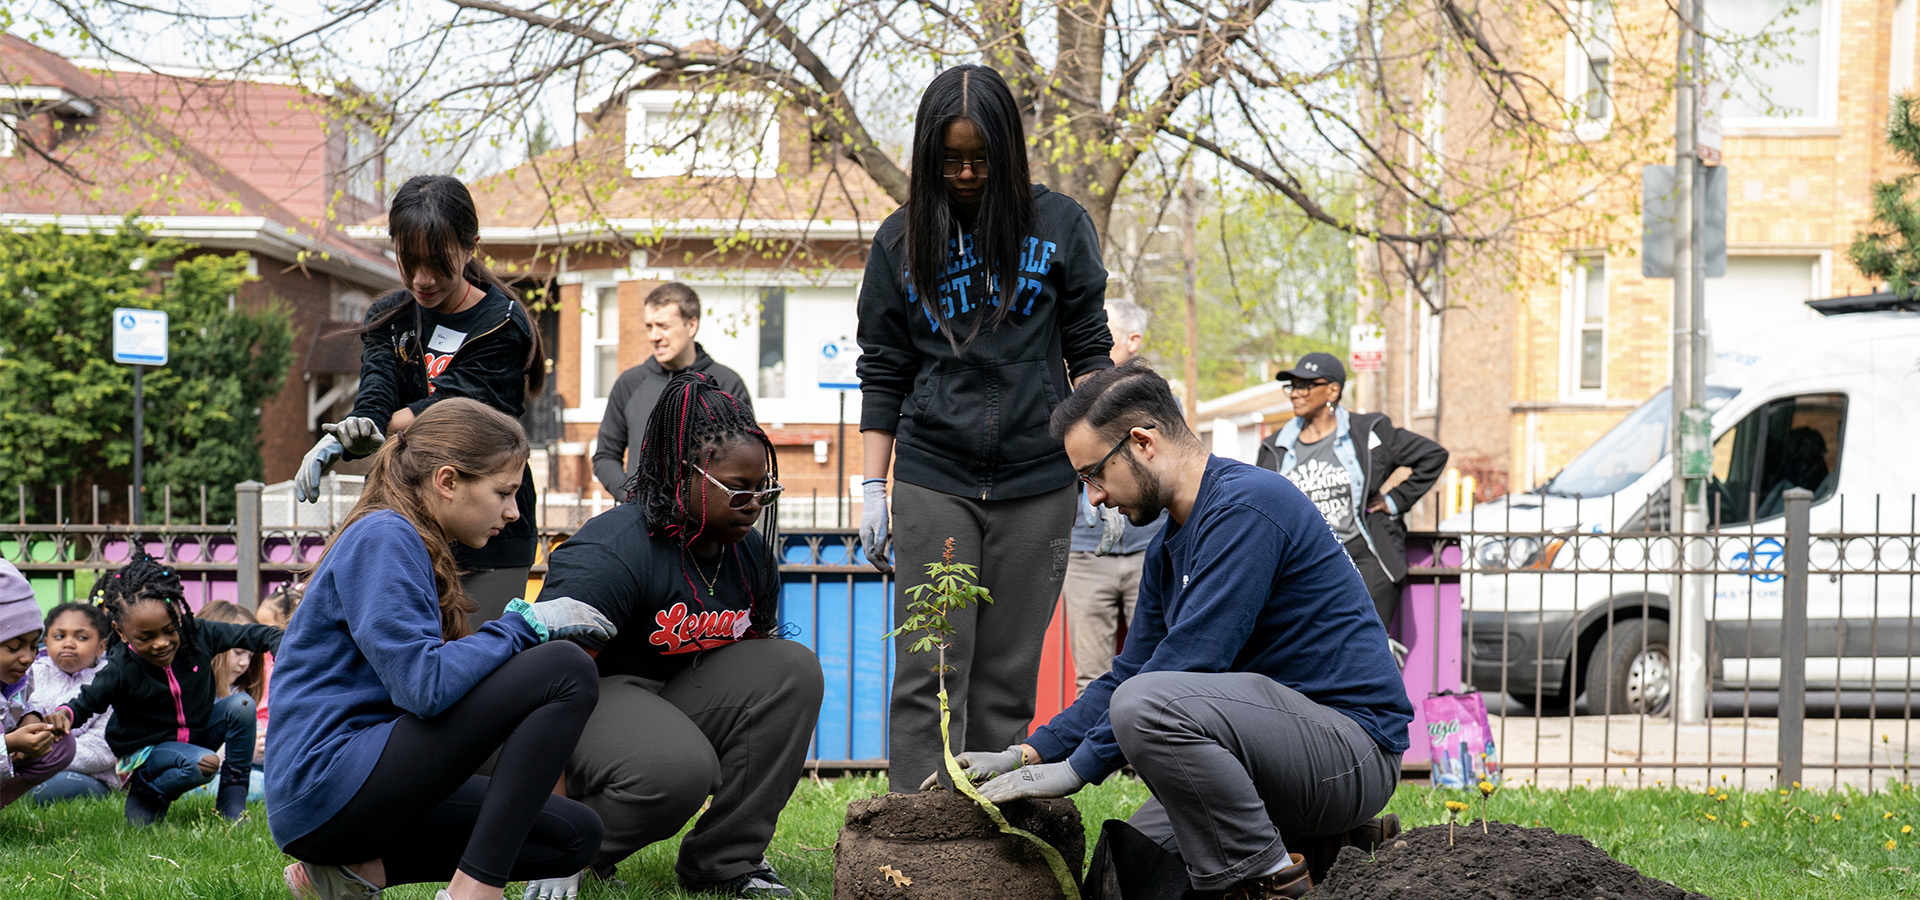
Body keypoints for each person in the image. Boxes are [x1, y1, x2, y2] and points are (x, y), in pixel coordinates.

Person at [950, 359, 1414, 899]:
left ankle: (1265, 881)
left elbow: (1188, 664)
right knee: (1125, 876)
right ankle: (1337, 843)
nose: (1094, 498)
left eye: (1093, 474)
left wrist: (1080, 767)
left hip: (1350, 752)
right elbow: (1128, 672)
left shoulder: (1248, 507)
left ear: (1143, 442)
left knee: (1145, 705)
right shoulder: (1169, 544)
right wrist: (1029, 753)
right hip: (1269, 759)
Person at [856, 63, 1113, 792]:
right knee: (929, 669)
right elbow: (883, 367)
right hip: (936, 473)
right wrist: (874, 483)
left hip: (1038, 477)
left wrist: (1097, 467)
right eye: (950, 160)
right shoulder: (899, 241)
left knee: (1006, 674)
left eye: (981, 158)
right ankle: (915, 826)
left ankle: (991, 824)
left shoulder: (1060, 225)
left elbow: (1089, 351)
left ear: (1008, 152)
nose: (966, 172)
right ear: (926, 158)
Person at [268, 397, 614, 900]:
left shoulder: (410, 536)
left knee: (575, 836)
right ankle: (473, 894)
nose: (515, 514)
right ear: (448, 481)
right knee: (563, 666)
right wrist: (525, 625)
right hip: (325, 786)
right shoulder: (385, 535)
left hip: (354, 785)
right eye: (504, 493)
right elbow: (425, 686)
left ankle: (349, 874)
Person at [529, 372, 822, 900]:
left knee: (792, 669)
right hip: (590, 697)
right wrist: (557, 826)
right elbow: (543, 687)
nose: (754, 504)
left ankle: (726, 860)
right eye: (738, 489)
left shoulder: (747, 552)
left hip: (674, 696)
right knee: (678, 768)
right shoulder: (614, 549)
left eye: (764, 490)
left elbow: (753, 679)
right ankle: (549, 845)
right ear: (683, 473)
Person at [294, 174, 547, 626]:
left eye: (437, 262)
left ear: (471, 247)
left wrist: (375, 428)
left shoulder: (501, 323)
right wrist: (350, 432)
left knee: (473, 662)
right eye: (408, 261)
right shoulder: (389, 315)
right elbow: (376, 391)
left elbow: (454, 412)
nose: (421, 279)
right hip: (411, 519)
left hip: (490, 528)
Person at [48, 555, 282, 825]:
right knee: (203, 763)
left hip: (195, 736)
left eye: (170, 630)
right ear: (121, 632)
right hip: (149, 751)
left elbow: (253, 635)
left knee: (240, 706)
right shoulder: (121, 667)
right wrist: (64, 715)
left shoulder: (198, 635)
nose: (161, 643)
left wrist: (281, 643)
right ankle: (147, 791)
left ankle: (231, 807)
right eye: (146, 637)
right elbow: (88, 701)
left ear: (179, 616)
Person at [1255, 352, 1447, 637]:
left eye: (1304, 385)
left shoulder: (1367, 432)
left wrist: (1395, 501)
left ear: (1333, 389)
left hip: (1365, 560)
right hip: (1305, 567)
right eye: (1291, 386)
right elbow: (1262, 503)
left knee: (1363, 647)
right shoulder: (1276, 447)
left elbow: (1433, 455)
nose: (1295, 393)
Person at [1063, 299, 1168, 694]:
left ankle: (1147, 755)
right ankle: (1095, 757)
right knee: (1090, 678)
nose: (1089, 341)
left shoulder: (1158, 403)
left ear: (1133, 340)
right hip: (1087, 556)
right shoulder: (1072, 403)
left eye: (1103, 334)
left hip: (1148, 551)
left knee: (1157, 671)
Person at [593, 282, 755, 497]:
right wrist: (632, 498)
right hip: (643, 522)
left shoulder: (726, 384)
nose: (654, 336)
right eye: (649, 327)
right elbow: (605, 457)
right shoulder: (629, 383)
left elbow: (746, 461)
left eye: (663, 326)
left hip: (708, 525)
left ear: (691, 326)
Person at [23, 602, 119, 803]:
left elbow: (103, 747)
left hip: (87, 775)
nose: (68, 643)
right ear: (46, 641)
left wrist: (47, 757)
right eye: (59, 636)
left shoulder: (111, 680)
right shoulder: (32, 674)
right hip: (26, 765)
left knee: (53, 787)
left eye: (81, 637)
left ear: (101, 646)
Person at [0, 565, 75, 809]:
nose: (27, 657)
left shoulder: (20, 675)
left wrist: (31, 718)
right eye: (13, 647)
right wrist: (10, 743)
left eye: (34, 646)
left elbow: (25, 700)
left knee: (60, 742)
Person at [251, 582, 303, 767]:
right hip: (256, 735)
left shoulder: (289, 662)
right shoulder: (257, 658)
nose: (260, 635)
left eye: (268, 629)